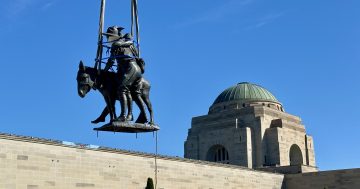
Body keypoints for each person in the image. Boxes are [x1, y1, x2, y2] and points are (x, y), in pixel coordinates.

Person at [103, 26, 147, 123]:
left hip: (131, 67)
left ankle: (123, 115)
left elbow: (130, 42)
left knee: (122, 89)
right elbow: (111, 61)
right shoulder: (116, 45)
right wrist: (104, 71)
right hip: (124, 69)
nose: (107, 38)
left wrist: (119, 43)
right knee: (126, 90)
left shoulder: (121, 43)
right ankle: (130, 115)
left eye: (109, 36)